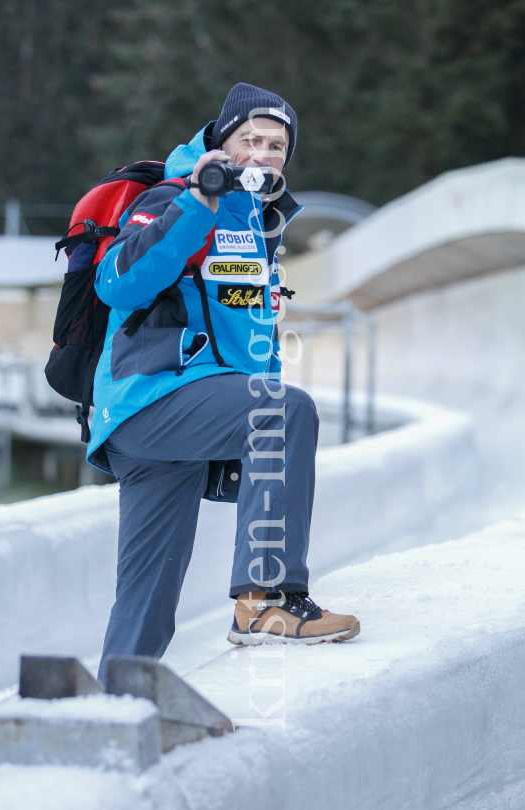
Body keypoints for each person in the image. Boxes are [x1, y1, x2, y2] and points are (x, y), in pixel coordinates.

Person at [87, 83, 360, 682]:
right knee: (285, 411)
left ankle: (117, 703)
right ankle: (267, 601)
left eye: (276, 145)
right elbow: (117, 285)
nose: (261, 154)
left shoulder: (259, 224)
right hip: (149, 398)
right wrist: (197, 202)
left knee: (147, 588)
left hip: (186, 418)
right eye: (249, 140)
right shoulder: (172, 197)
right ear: (221, 140)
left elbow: (251, 348)